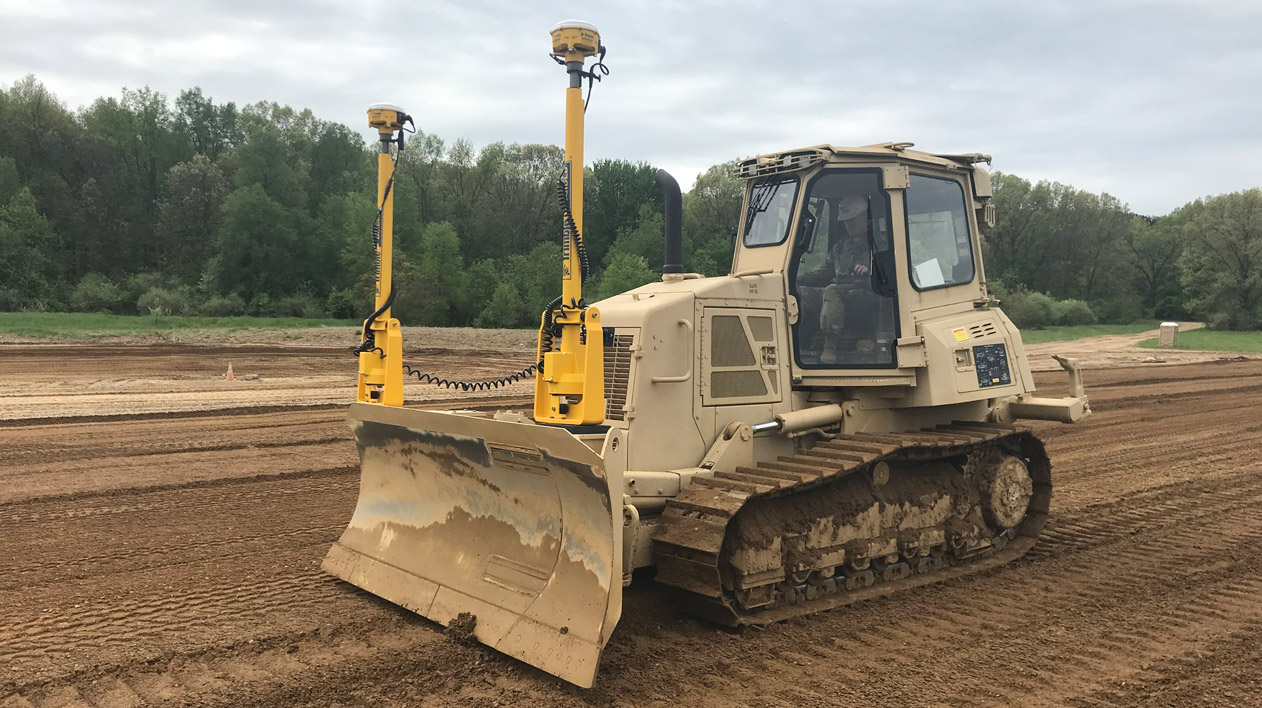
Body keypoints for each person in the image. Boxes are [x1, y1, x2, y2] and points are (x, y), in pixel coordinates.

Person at [797, 193, 874, 365]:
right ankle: (800, 342)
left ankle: (830, 345)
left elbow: (888, 276)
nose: (848, 224)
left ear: (864, 216)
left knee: (832, 290)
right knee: (799, 293)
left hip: (864, 294)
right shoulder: (841, 247)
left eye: (852, 219)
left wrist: (869, 273)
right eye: (846, 220)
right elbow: (824, 272)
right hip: (838, 294)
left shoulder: (877, 245)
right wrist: (796, 280)